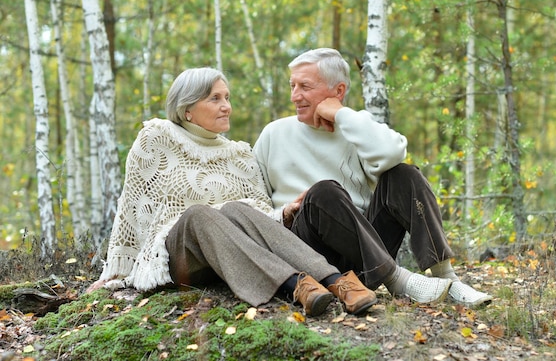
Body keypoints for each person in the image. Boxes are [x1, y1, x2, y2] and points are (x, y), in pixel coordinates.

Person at [86, 67, 377, 317]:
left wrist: (284, 213)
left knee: (236, 208)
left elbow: (258, 214)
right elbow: (132, 208)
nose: (226, 106)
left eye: (227, 98)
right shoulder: (157, 139)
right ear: (187, 108)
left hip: (229, 257)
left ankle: (337, 282)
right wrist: (116, 272)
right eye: (215, 99)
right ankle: (295, 286)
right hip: (180, 256)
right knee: (200, 214)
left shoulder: (238, 153)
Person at [253, 48, 493, 307]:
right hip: (308, 254)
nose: (295, 96)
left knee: (404, 174)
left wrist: (341, 115)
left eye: (305, 86)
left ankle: (447, 279)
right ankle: (398, 280)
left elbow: (393, 152)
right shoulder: (273, 134)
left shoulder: (355, 126)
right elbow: (254, 202)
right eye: (292, 86)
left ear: (338, 91)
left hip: (364, 259)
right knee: (322, 192)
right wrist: (285, 212)